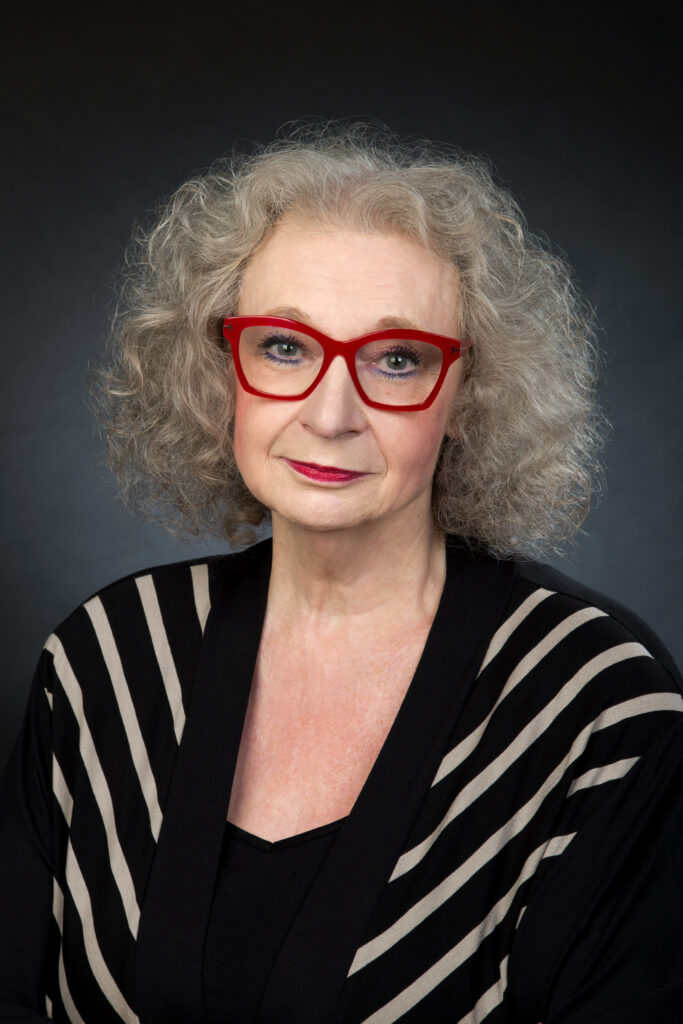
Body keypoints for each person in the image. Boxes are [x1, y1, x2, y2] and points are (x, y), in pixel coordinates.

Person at [1, 122, 681, 1024]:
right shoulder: (107, 662)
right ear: (221, 368)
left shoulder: (595, 704)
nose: (330, 414)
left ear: (467, 396)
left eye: (396, 360)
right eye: (283, 346)